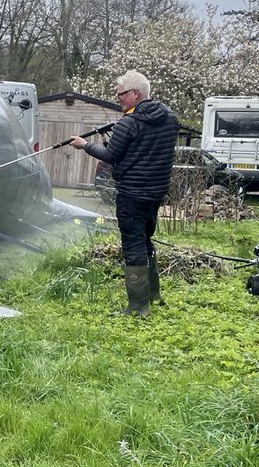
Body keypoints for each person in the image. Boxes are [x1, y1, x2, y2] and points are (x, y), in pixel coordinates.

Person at [70, 70, 178, 317]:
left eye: (121, 95)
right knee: (146, 239)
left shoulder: (129, 123)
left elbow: (111, 156)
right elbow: (143, 150)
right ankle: (152, 294)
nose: (118, 99)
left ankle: (138, 307)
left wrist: (85, 145)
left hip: (132, 193)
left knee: (133, 245)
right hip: (156, 193)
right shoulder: (170, 119)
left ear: (136, 94)